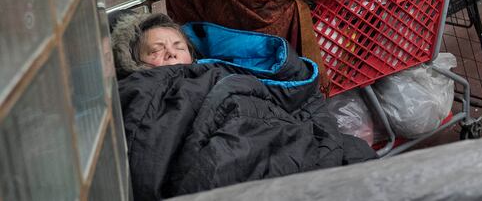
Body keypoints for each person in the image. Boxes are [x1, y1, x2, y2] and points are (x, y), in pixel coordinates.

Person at [110, 12, 375, 201]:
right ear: (136, 63)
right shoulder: (142, 88)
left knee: (349, 154)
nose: (170, 52)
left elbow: (283, 92)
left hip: (258, 122)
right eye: (156, 50)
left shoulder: (212, 70)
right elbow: (149, 146)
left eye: (178, 46)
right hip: (218, 153)